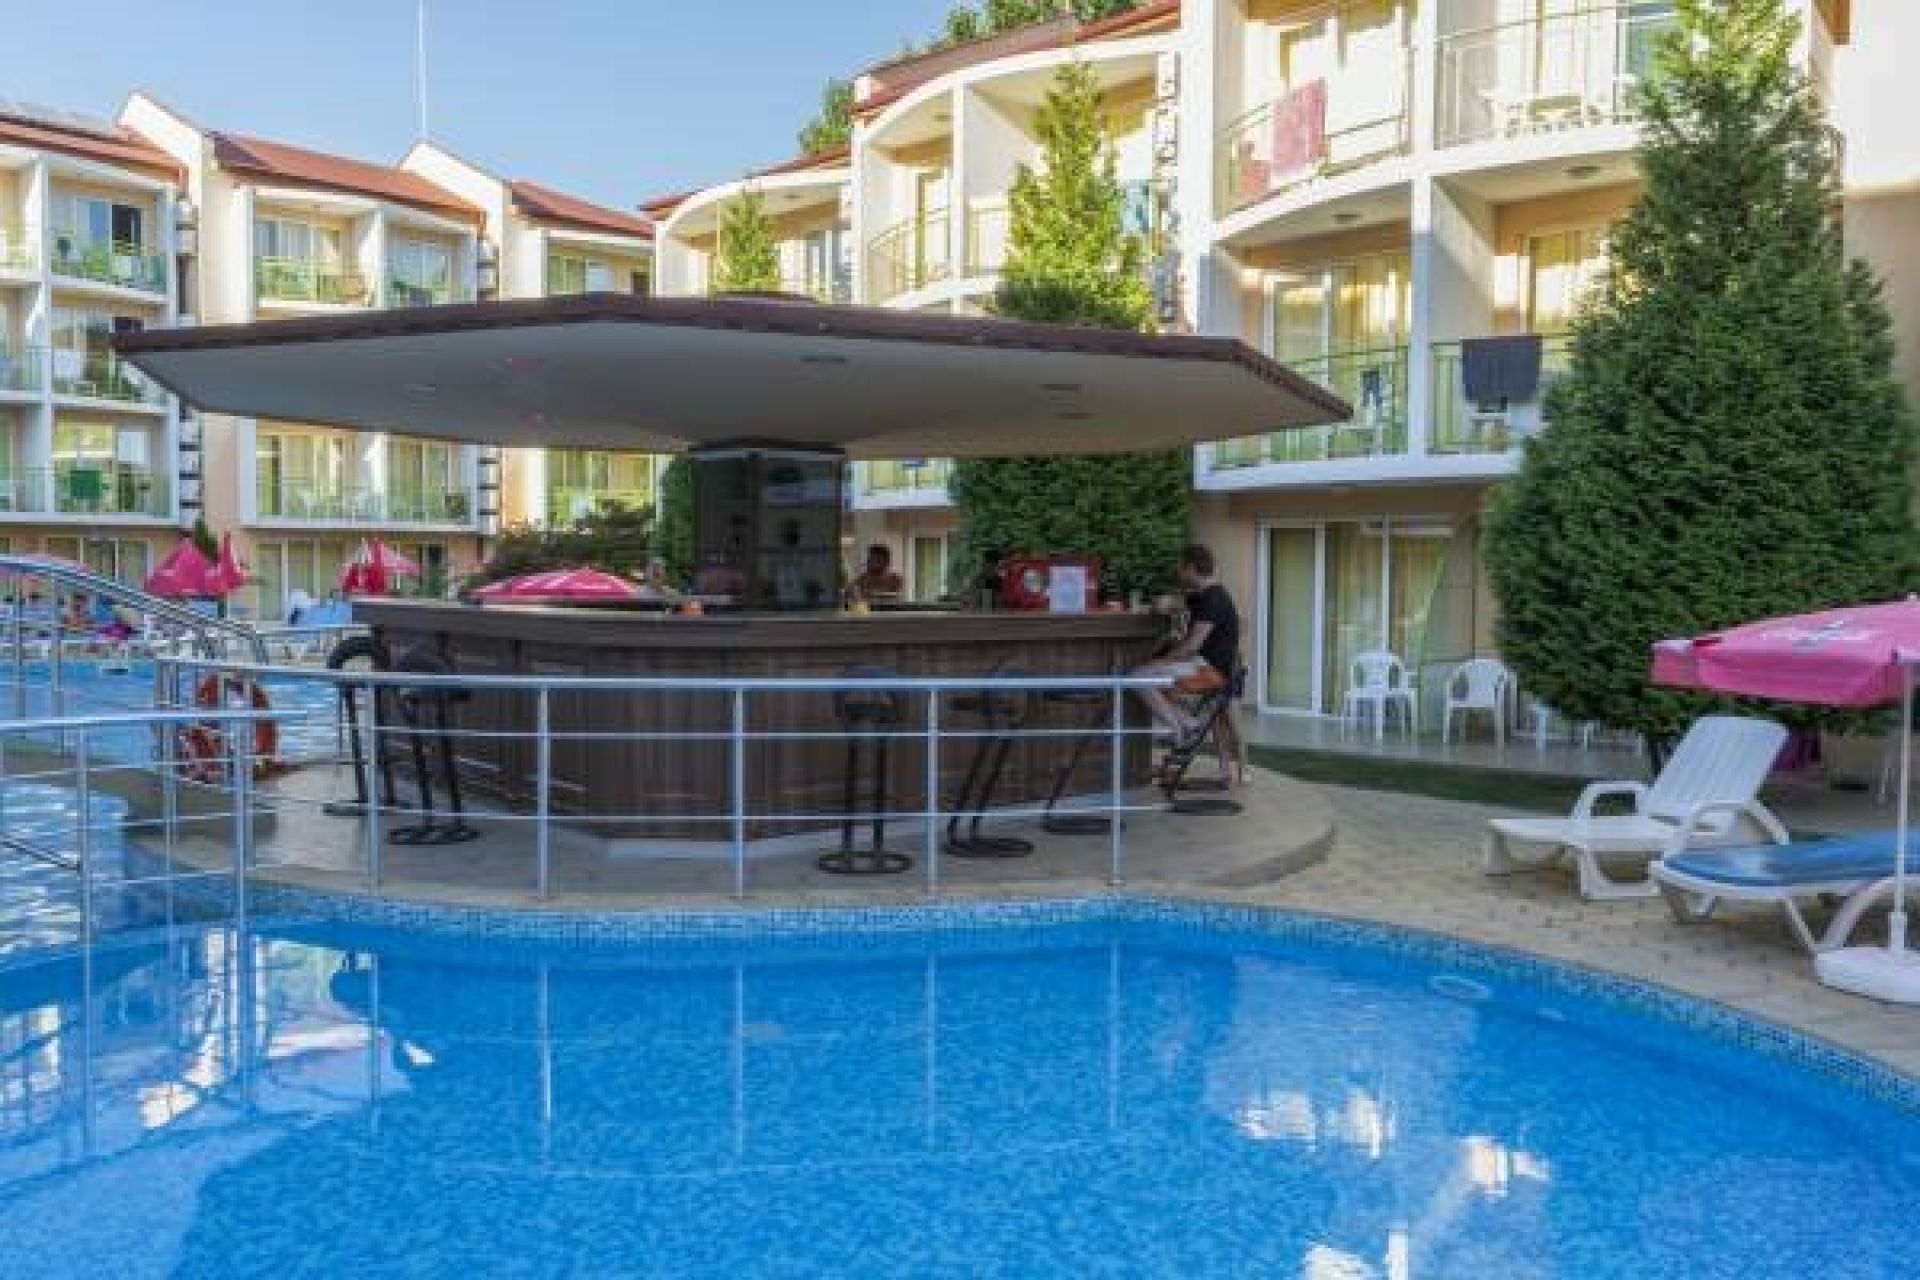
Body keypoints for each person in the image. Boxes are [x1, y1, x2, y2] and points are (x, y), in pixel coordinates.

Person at [1134, 544, 1240, 747]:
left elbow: (1192, 646)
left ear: (1191, 568)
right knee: (1148, 678)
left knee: (1140, 677)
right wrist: (1154, 606)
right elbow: (1171, 603)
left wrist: (1162, 661)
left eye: (1180, 568)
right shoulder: (1201, 596)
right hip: (1200, 666)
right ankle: (1187, 724)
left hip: (1209, 672)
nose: (1178, 572)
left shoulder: (1213, 599)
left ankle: (1180, 728)